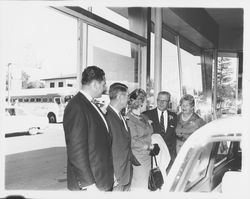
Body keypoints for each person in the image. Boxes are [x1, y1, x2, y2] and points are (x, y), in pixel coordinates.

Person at [63, 66, 114, 191]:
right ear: (95, 84)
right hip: (91, 185)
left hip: (100, 179)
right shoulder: (77, 106)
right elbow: (76, 150)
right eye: (103, 84)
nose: (105, 88)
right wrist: (88, 184)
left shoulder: (89, 104)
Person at [105, 82, 140, 191]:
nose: (129, 100)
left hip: (126, 173)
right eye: (127, 96)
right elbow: (104, 149)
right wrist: (111, 174)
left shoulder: (120, 116)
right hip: (116, 177)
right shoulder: (106, 117)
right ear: (120, 97)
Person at [126, 88, 159, 191]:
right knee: (140, 186)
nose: (147, 103)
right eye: (146, 101)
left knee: (148, 185)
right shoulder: (129, 119)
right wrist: (150, 147)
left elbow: (150, 132)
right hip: (138, 157)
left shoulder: (144, 116)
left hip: (148, 156)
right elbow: (133, 141)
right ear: (140, 103)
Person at [143, 91, 177, 170]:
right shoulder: (146, 115)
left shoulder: (174, 116)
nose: (161, 103)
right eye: (159, 100)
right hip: (153, 157)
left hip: (169, 158)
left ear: (169, 102)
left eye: (164, 101)